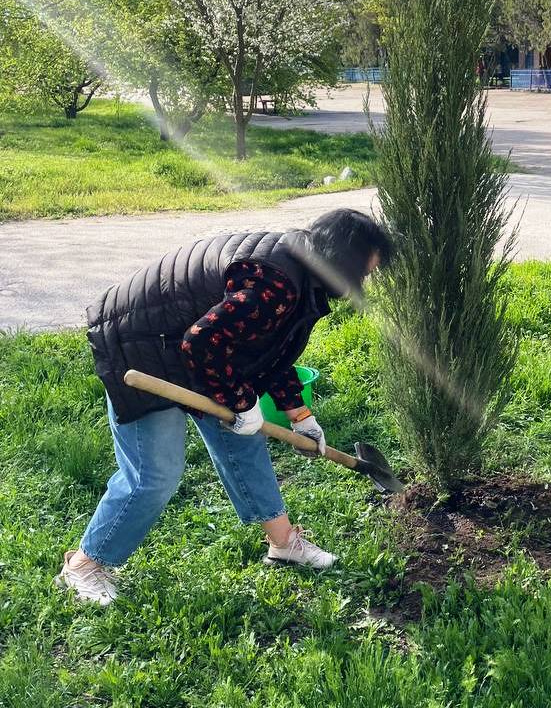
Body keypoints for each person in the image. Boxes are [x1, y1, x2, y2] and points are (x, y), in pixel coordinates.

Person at [56, 208, 393, 605]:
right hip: (142, 349)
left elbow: (272, 351)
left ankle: (284, 543)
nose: (364, 281)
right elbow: (200, 343)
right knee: (155, 473)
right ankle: (83, 565)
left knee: (243, 441)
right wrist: (241, 401)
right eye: (365, 272)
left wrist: (300, 416)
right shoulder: (277, 282)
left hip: (195, 350)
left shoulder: (302, 275)